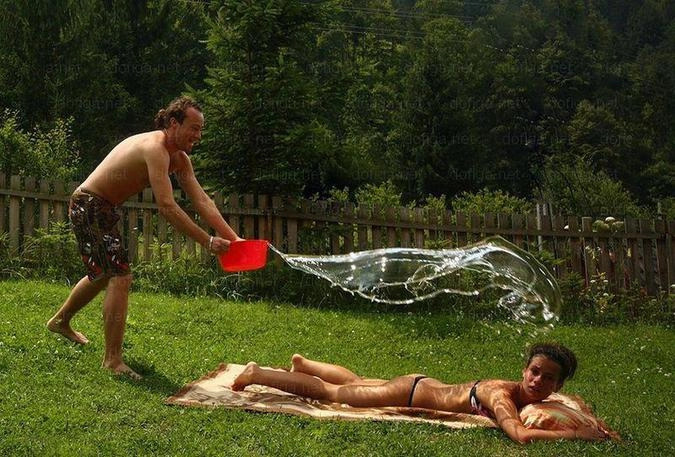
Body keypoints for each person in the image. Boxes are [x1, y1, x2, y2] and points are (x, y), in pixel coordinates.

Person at [47, 96, 242, 379]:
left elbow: (202, 200)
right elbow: (167, 206)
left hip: (101, 207)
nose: (198, 135)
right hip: (89, 204)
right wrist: (207, 241)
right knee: (120, 276)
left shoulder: (180, 160)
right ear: (174, 123)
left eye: (201, 129)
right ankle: (112, 360)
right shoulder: (155, 148)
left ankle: (60, 321)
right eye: (194, 128)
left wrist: (234, 239)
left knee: (104, 272)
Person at [232, 343, 610, 444]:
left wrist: (592, 425)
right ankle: (258, 374)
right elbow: (521, 435)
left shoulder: (539, 399)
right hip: (410, 393)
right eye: (534, 371)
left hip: (420, 384)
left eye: (547, 378)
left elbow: (562, 410)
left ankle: (304, 364)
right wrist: (579, 435)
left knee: (359, 382)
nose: (538, 381)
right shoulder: (502, 398)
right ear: (524, 370)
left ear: (559, 386)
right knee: (335, 394)